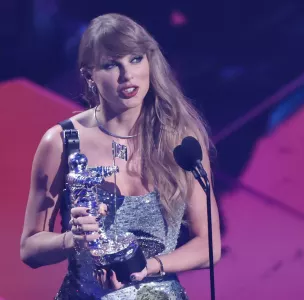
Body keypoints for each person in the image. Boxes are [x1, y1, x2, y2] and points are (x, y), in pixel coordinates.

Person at [20, 13, 221, 299]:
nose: (127, 75)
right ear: (89, 75)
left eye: (135, 59)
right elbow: (29, 249)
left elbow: (208, 245)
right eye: (111, 65)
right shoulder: (62, 142)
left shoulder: (180, 138)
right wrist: (70, 239)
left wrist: (149, 267)